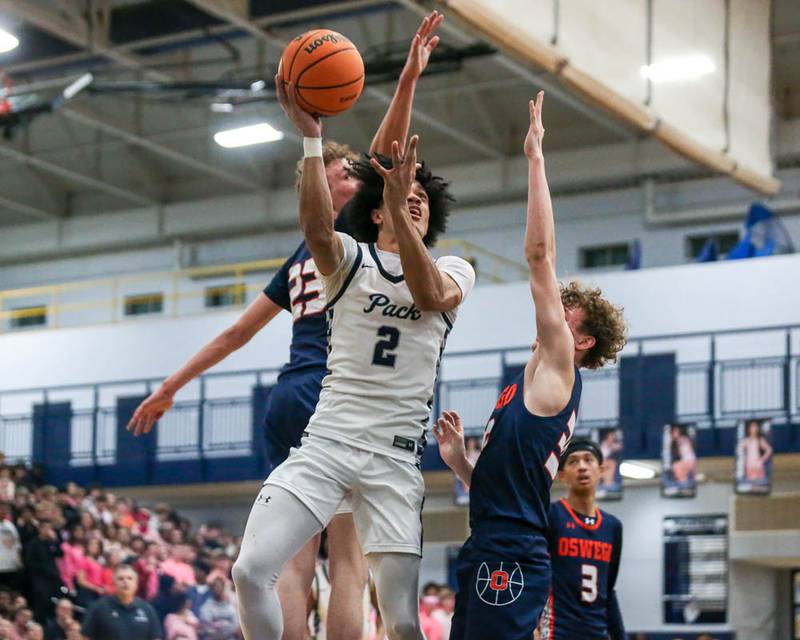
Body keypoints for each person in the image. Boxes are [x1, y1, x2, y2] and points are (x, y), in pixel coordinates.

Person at [127, 12, 445, 640]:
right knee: (349, 566)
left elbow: (234, 335)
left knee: (286, 565)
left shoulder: (308, 253)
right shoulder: (358, 241)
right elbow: (384, 156)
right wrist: (405, 82)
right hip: (341, 399)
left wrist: (171, 385)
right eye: (350, 179)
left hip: (289, 396)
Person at [231, 32, 475, 640]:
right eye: (402, 196)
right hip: (329, 438)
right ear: (373, 211)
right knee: (248, 570)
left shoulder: (453, 270)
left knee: (399, 621)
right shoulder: (350, 261)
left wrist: (400, 195)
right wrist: (313, 136)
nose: (412, 201)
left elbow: (429, 298)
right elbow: (316, 227)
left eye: (421, 200)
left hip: (394, 458)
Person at [434, 93, 627, 640]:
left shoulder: (560, 366)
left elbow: (539, 255)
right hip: (489, 537)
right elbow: (514, 487)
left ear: (582, 339)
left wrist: (536, 158)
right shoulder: (530, 376)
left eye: (566, 310)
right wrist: (462, 465)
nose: (552, 307)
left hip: (512, 551)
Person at [537, 439, 625, 639]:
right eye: (573, 462)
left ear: (601, 469)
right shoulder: (551, 515)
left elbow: (609, 591)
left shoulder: (612, 527)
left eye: (588, 460)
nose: (582, 467)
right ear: (561, 475)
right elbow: (533, 576)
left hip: (596, 632)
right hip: (556, 631)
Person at [81, 564, 162, 640]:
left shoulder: (147, 610)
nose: (125, 581)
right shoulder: (98, 607)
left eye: (130, 578)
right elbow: (85, 637)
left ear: (136, 583)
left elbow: (156, 638)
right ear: (113, 583)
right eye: (121, 578)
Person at [23, 522, 64, 624]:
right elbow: (29, 562)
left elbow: (60, 553)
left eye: (50, 528)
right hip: (40, 579)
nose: (48, 531)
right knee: (42, 603)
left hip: (53, 578)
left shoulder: (50, 542)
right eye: (45, 528)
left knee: (55, 602)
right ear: (40, 529)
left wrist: (55, 540)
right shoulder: (33, 543)